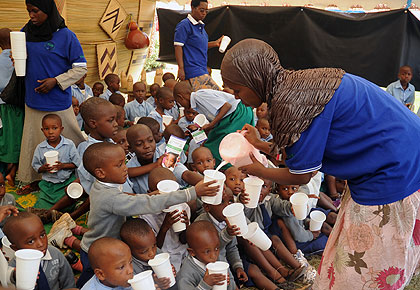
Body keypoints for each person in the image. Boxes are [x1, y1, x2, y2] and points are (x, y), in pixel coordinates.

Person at [220, 38, 420, 289]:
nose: (238, 98)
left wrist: (261, 170)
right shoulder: (298, 85)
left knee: (363, 271)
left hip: (395, 172)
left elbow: (302, 175)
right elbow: (305, 150)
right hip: (404, 151)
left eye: (237, 90)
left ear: (254, 79)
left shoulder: (290, 103)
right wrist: (261, 145)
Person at [77, 142, 218, 287]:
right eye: (119, 165)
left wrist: (153, 194)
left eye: (124, 162)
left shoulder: (103, 185)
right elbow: (144, 204)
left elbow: (127, 198)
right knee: (93, 282)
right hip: (98, 252)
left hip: (108, 244)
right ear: (101, 173)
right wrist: (192, 192)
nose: (126, 168)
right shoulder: (109, 198)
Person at [18, 0, 86, 188]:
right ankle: (34, 178)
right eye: (28, 11)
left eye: (35, 11)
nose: (31, 15)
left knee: (69, 139)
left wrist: (56, 81)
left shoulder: (66, 36)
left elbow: (80, 69)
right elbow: (21, 57)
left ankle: (77, 174)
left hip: (58, 102)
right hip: (33, 100)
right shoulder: (25, 32)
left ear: (48, 11)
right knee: (34, 139)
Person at [174, 81, 254, 166]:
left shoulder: (199, 96)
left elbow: (226, 106)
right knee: (214, 140)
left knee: (220, 144)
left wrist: (211, 125)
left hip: (237, 113)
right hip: (233, 115)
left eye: (179, 102)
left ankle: (223, 168)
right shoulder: (197, 102)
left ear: (180, 97)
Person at [4, 212, 76, 290]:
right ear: (16, 248)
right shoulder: (13, 270)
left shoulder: (55, 254)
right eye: (31, 241)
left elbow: (68, 280)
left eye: (42, 235)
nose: (41, 244)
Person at [31, 114, 81, 209]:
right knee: (41, 206)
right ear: (42, 130)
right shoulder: (40, 148)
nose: (50, 132)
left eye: (54, 128)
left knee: (67, 205)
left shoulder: (69, 144)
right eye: (46, 129)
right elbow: (36, 166)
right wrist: (43, 168)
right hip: (48, 185)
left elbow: (77, 164)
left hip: (66, 182)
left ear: (61, 129)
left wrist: (62, 166)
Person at [173, 0, 221, 91]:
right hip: (193, 70)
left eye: (206, 11)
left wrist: (215, 43)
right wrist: (181, 68)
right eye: (201, 10)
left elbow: (199, 46)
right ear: (192, 8)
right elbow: (178, 47)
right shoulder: (184, 25)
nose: (204, 14)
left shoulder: (201, 26)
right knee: (217, 95)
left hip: (202, 69)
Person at [176, 220, 237, 289]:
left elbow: (233, 284)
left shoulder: (220, 259)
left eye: (217, 248)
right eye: (207, 251)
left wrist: (228, 284)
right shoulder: (186, 274)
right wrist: (205, 284)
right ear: (192, 252)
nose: (214, 256)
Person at [120, 218, 177, 289]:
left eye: (154, 245)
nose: (152, 253)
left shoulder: (157, 253)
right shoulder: (129, 267)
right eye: (144, 251)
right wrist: (154, 283)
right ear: (129, 250)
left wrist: (171, 270)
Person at [0, 28, 24, 187]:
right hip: (15, 106)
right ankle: (12, 172)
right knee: (15, 139)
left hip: (1, 106)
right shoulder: (18, 59)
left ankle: (5, 173)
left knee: (4, 138)